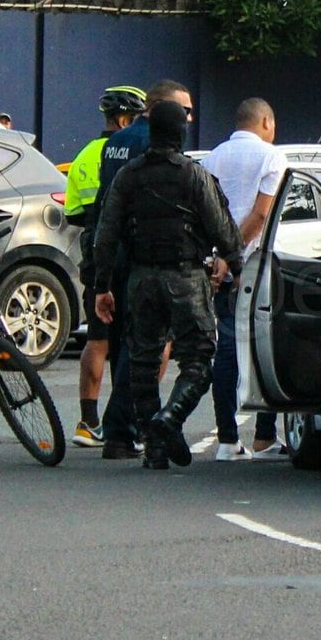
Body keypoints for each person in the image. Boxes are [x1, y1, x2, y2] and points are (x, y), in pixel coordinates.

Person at [92, 100, 243, 470]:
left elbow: (106, 234)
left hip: (141, 279)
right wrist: (237, 268)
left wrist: (101, 286)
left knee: (142, 362)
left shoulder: (128, 176)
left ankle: (154, 447)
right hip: (186, 278)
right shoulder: (194, 175)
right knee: (200, 359)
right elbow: (223, 229)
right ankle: (170, 418)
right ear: (180, 133)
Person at [94, 79, 194, 460]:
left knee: (122, 343)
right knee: (142, 348)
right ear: (164, 111)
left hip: (114, 250)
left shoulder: (117, 140)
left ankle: (122, 429)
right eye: (183, 112)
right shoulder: (150, 144)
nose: (188, 119)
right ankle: (124, 430)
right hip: (142, 257)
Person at [201, 97, 288, 461]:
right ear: (266, 121)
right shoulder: (272, 158)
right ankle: (265, 437)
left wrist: (218, 258)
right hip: (253, 265)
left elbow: (205, 216)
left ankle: (226, 439)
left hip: (218, 265)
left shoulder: (211, 159)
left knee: (226, 348)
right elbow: (260, 215)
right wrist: (234, 259)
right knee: (267, 346)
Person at [64, 85, 146, 447]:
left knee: (97, 337)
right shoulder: (131, 148)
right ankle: (132, 420)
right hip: (128, 251)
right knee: (138, 340)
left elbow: (73, 213)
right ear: (126, 118)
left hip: (94, 251)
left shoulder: (83, 156)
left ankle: (88, 421)